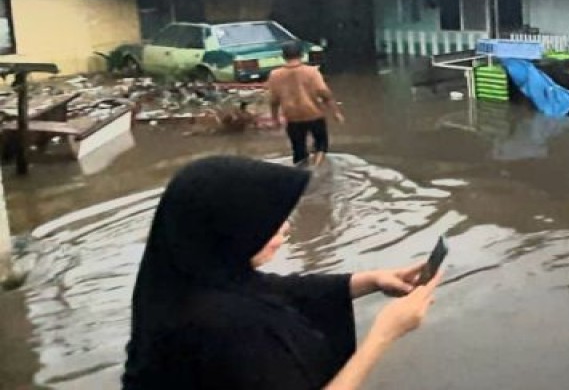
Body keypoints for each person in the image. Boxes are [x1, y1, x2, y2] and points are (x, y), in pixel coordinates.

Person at [123, 155, 442, 389]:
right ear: (230, 230)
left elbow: (277, 288)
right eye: (270, 223)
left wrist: (369, 280)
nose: (286, 229)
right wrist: (384, 334)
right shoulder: (227, 326)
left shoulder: (183, 277)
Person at [267, 42, 344, 165]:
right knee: (321, 145)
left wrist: (274, 119)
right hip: (314, 115)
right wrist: (336, 112)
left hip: (293, 118)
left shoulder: (275, 75)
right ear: (302, 55)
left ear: (283, 56)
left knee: (298, 151)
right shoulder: (311, 72)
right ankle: (317, 169)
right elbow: (324, 93)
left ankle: (301, 176)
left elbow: (273, 101)